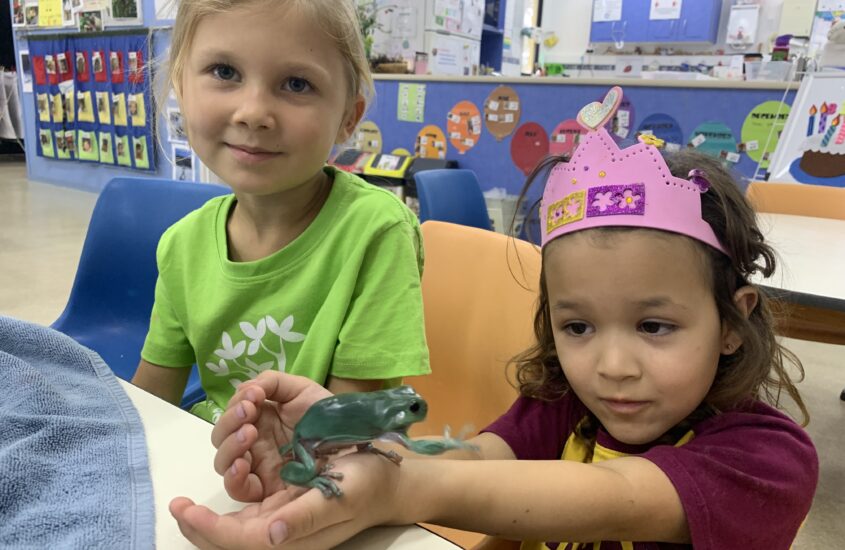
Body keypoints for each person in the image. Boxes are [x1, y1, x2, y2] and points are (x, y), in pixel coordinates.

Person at [170, 88, 818, 548]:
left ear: (733, 321)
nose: (611, 367)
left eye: (654, 327)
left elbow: (615, 495)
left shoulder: (764, 462)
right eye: (577, 327)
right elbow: (477, 458)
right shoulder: (566, 406)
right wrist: (361, 442)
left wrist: (400, 489)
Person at [131, 0, 429, 423]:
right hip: (214, 458)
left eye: (296, 84)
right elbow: (150, 407)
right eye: (224, 72)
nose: (253, 113)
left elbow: (347, 433)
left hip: (322, 468)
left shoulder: (376, 232)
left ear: (348, 117)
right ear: (180, 83)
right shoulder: (182, 245)